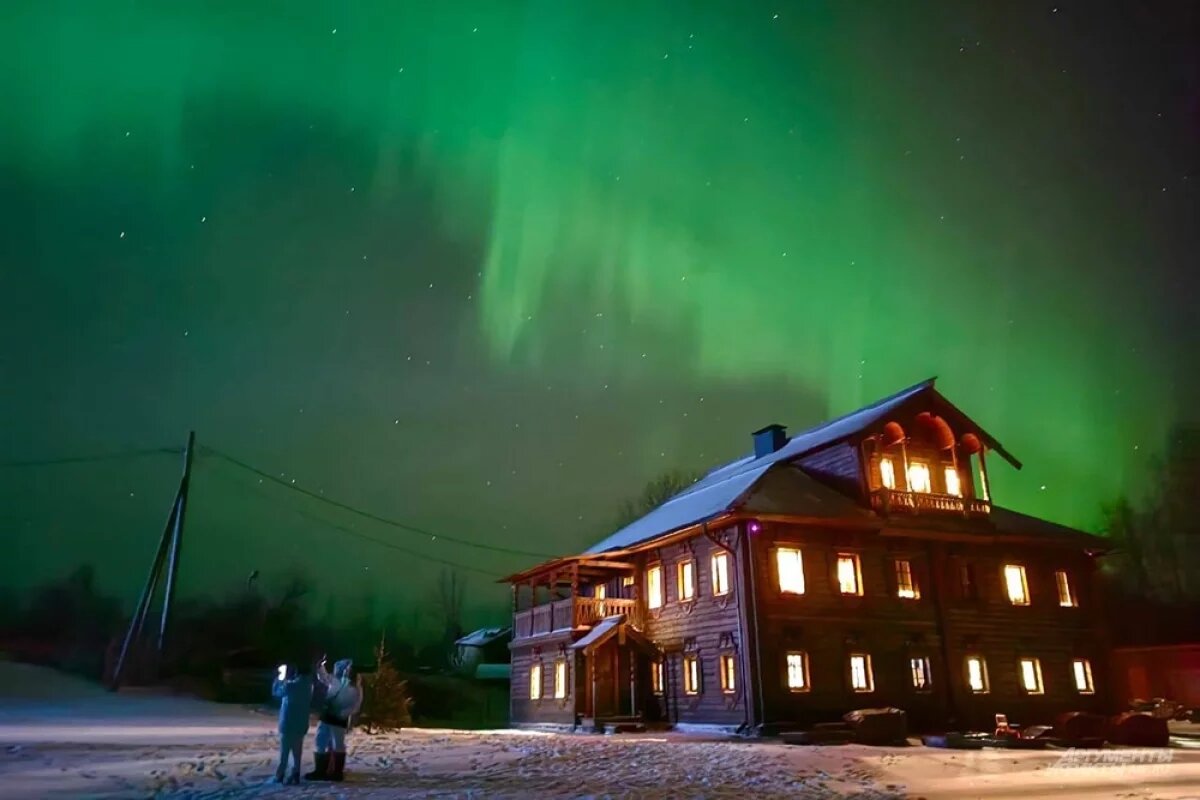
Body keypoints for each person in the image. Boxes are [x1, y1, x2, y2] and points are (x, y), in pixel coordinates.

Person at [306, 657, 363, 782]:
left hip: (338, 718)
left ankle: (337, 772)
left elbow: (356, 705)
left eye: (348, 669)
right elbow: (324, 677)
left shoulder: (356, 688)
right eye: (344, 669)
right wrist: (320, 666)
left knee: (338, 744)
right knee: (320, 741)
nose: (345, 671)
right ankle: (320, 770)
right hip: (327, 715)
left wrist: (344, 713)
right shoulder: (336, 680)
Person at [271, 661, 315, 785]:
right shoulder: (309, 687)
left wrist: (280, 678)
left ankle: (280, 775)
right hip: (301, 724)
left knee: (284, 753)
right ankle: (296, 773)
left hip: (288, 723)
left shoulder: (291, 686)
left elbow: (277, 692)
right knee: (297, 752)